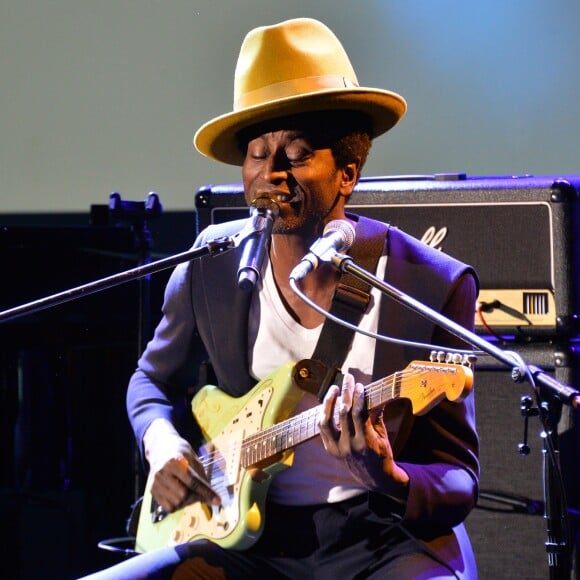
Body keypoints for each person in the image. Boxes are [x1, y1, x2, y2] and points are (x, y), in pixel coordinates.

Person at [82, 17, 479, 579]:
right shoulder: (213, 264)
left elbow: (459, 475)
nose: (271, 172)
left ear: (348, 170)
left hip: (381, 539)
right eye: (257, 153)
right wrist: (164, 446)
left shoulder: (429, 284)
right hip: (245, 538)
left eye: (294, 152)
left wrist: (386, 475)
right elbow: (150, 381)